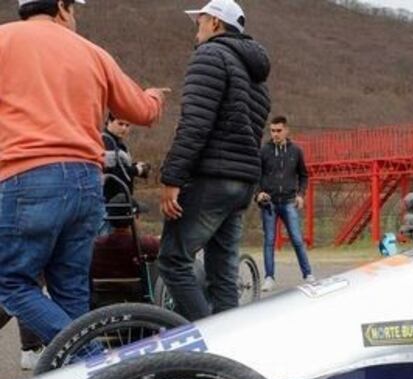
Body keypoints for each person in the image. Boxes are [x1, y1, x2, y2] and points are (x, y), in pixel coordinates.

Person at [0, 0, 166, 345]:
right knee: (71, 290)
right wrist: (153, 96)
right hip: (87, 181)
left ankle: (89, 358)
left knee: (11, 282)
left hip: (27, 177)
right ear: (61, 7)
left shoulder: (5, 40)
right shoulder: (92, 52)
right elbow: (143, 111)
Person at [159, 0, 271, 321]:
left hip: (211, 178)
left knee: (173, 260)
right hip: (241, 184)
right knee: (222, 273)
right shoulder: (257, 78)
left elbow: (195, 123)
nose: (197, 29)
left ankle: (207, 340)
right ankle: (228, 353)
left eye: (200, 22)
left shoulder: (210, 56)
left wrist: (172, 178)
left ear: (215, 25)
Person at [257, 116, 314, 291]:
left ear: (286, 130)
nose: (275, 134)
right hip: (269, 204)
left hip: (289, 201)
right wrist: (258, 193)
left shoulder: (296, 151)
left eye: (278, 130)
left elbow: (304, 175)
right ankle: (269, 277)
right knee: (269, 241)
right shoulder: (264, 151)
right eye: (272, 130)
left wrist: (301, 194)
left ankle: (308, 274)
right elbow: (255, 176)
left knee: (297, 240)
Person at [102, 113, 150, 205]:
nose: (124, 128)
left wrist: (135, 166)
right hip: (110, 201)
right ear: (109, 122)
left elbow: (118, 165)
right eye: (120, 124)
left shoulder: (117, 143)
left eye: (127, 125)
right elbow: (111, 171)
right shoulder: (106, 141)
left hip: (119, 199)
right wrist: (136, 170)